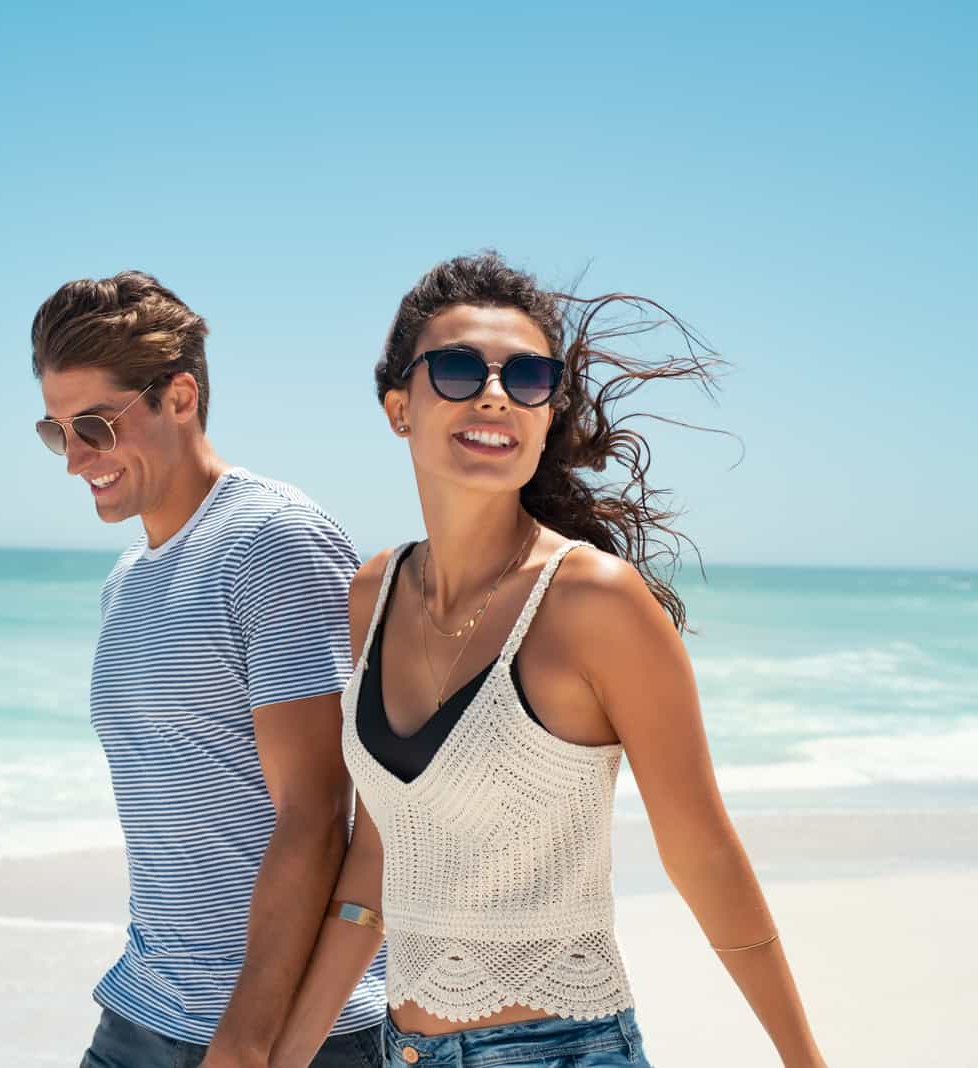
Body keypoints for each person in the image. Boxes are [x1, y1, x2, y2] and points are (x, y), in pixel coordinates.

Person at [272, 252, 827, 1068]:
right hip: (404, 1053)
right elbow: (379, 864)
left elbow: (701, 851)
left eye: (527, 376)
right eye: (458, 368)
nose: (494, 392)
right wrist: (283, 1056)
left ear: (544, 411)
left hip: (565, 1050)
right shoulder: (374, 594)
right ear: (400, 408)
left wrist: (804, 1061)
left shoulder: (594, 602)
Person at [31, 271, 387, 1068]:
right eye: (57, 433)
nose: (75, 460)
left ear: (180, 398)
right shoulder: (128, 579)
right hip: (146, 1012)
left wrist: (250, 1037)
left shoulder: (275, 543)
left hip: (291, 1035)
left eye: (93, 425)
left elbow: (317, 809)